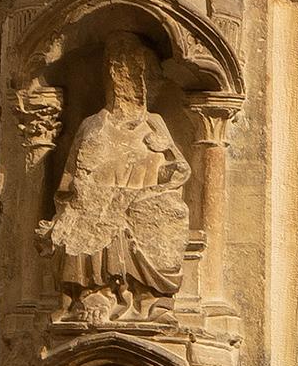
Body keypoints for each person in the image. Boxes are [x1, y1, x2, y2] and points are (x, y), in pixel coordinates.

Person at [46, 36, 191, 314]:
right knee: (82, 217)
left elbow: (181, 170)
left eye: (133, 72)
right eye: (116, 71)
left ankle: (148, 297)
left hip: (145, 203)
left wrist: (166, 157)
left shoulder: (154, 123)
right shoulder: (93, 126)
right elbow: (71, 183)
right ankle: (96, 292)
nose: (124, 80)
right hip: (100, 205)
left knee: (166, 211)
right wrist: (93, 190)